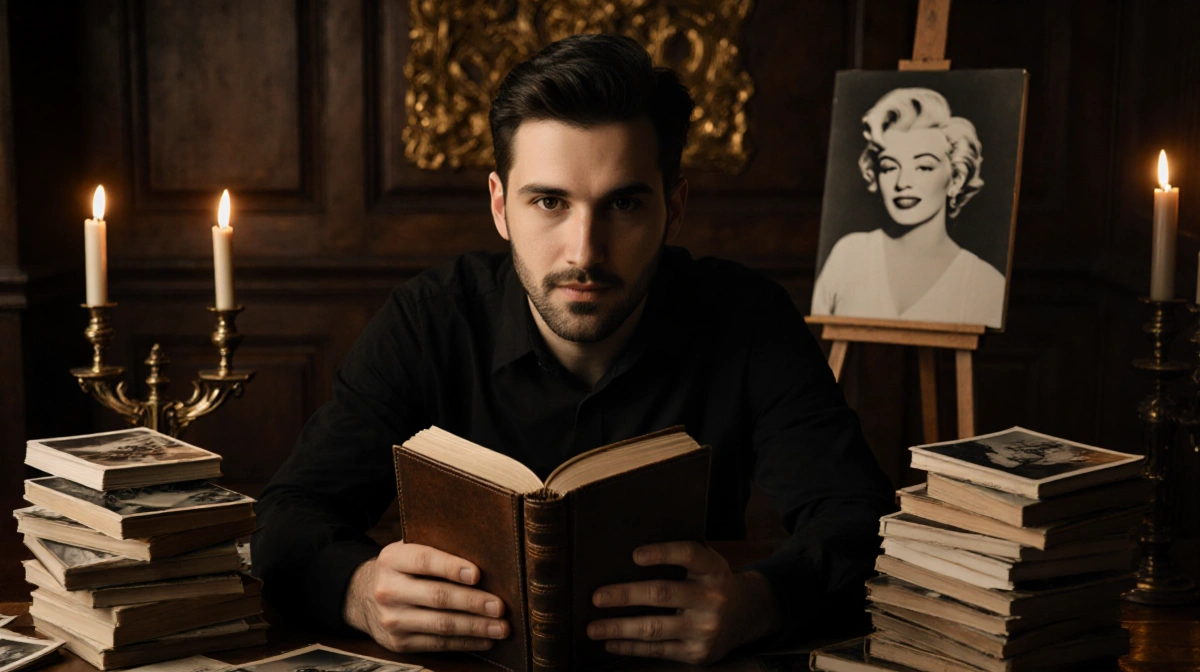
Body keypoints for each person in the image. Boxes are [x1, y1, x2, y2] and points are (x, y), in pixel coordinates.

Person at [252, 34, 893, 665]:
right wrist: (359, 593)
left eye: (624, 204)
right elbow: (285, 520)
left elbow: (861, 523)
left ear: (673, 209)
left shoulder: (746, 318)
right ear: (502, 206)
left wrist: (757, 604)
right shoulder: (429, 321)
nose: (584, 252)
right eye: (550, 202)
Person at [811, 87, 1006, 328]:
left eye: (924, 167)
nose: (902, 183)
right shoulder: (848, 256)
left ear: (955, 178)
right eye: (890, 167)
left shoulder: (985, 284)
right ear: (875, 174)